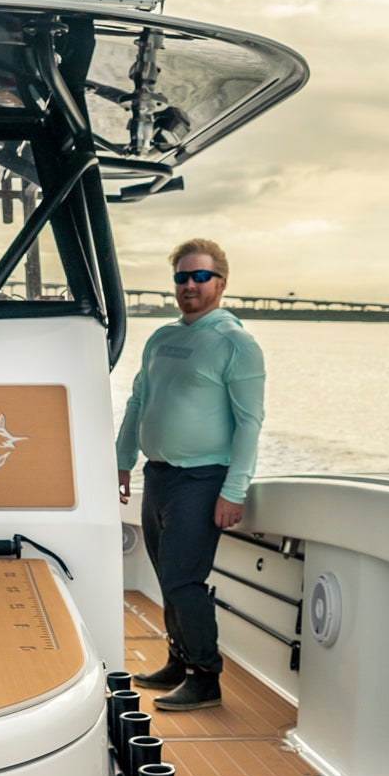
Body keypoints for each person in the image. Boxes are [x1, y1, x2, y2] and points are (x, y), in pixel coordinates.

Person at [114, 239, 265, 712]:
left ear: (221, 282)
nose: (189, 285)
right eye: (182, 277)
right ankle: (178, 659)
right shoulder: (162, 338)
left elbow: (249, 423)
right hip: (158, 476)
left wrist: (233, 490)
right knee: (166, 577)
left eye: (200, 276)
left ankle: (206, 676)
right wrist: (123, 459)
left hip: (203, 481)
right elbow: (139, 401)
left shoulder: (235, 343)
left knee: (184, 581)